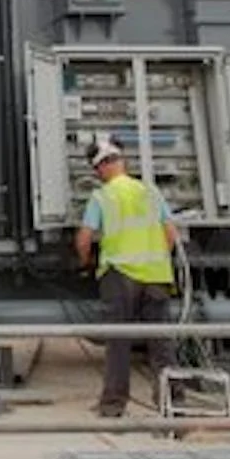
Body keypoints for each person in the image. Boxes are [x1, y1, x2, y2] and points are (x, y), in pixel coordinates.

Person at [74, 140, 177, 416]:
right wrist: (155, 257)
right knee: (161, 342)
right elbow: (170, 234)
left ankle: (113, 404)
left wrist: (85, 262)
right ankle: (172, 403)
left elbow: (84, 239)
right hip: (156, 274)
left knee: (118, 341)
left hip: (119, 275)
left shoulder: (103, 196)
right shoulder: (150, 192)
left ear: (101, 167)